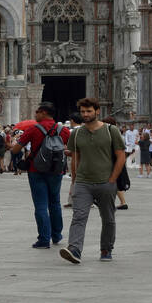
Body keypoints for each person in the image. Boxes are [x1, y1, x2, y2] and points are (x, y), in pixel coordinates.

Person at [60, 98, 126, 265]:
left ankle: (106, 248)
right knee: (79, 216)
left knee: (108, 218)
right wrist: (74, 182)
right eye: (83, 112)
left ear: (97, 111)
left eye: (88, 111)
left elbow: (121, 156)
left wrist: (112, 180)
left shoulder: (111, 131)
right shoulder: (75, 134)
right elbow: (75, 159)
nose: (85, 114)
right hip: (83, 183)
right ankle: (74, 248)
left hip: (106, 182)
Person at [10, 104, 71, 248]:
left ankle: (44, 239)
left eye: (37, 112)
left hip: (36, 170)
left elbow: (15, 150)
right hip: (56, 171)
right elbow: (72, 149)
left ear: (43, 113)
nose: (35, 114)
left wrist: (17, 142)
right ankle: (56, 235)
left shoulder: (33, 129)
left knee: (41, 205)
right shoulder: (64, 130)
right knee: (55, 203)